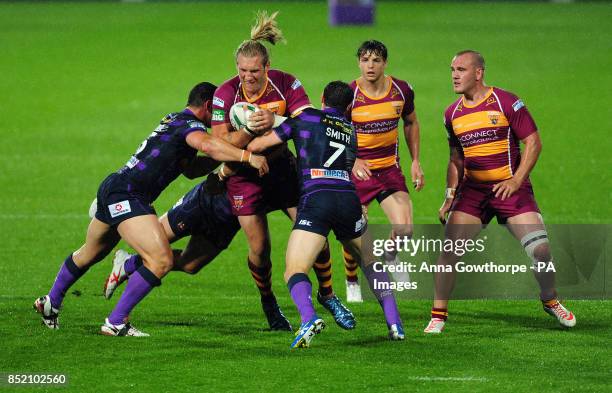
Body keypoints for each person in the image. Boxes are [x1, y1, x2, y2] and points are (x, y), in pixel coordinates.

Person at [33, 82, 268, 336]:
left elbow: (191, 170)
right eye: (219, 112)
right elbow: (209, 145)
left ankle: (50, 303)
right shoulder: (191, 125)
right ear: (209, 106)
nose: (221, 120)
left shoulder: (175, 121)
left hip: (115, 187)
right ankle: (116, 322)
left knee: (90, 252)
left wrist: (225, 159)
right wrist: (247, 156)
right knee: (161, 260)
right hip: (129, 195)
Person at [211, 11, 355, 331]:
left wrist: (273, 121)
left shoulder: (286, 83)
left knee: (314, 229)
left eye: (254, 71)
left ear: (267, 67)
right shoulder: (225, 93)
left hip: (282, 169)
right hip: (243, 178)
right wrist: (249, 145)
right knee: (260, 250)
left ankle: (328, 295)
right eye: (242, 70)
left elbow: (307, 120)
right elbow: (218, 144)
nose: (248, 77)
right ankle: (269, 303)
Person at [423, 50, 576, 334]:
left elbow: (533, 142)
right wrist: (448, 197)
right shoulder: (452, 114)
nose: (454, 75)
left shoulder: (505, 101)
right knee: (450, 250)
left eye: (461, 69)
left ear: (478, 73)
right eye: (452, 69)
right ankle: (438, 315)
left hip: (510, 189)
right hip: (473, 193)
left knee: (541, 249)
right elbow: (456, 159)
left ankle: (550, 299)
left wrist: (517, 181)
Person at [248, 81, 406, 348]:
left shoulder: (305, 117)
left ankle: (308, 318)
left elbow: (261, 144)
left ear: (321, 98)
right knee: (370, 262)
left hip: (316, 199)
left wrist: (248, 130)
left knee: (294, 269)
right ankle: (395, 324)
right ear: (349, 107)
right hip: (347, 200)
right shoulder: (350, 129)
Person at [342, 40, 425, 303]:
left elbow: (410, 122)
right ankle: (352, 279)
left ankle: (390, 256)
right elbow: (336, 133)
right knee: (355, 231)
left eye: (376, 60)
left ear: (385, 63)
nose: (370, 65)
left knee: (405, 229)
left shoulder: (401, 90)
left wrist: (415, 161)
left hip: (389, 169)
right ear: (358, 62)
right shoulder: (349, 94)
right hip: (359, 172)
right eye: (365, 60)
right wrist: (353, 162)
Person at [103, 177, 241, 301]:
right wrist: (243, 159)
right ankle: (116, 320)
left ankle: (129, 263)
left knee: (190, 265)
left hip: (231, 217)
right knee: (153, 241)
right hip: (207, 201)